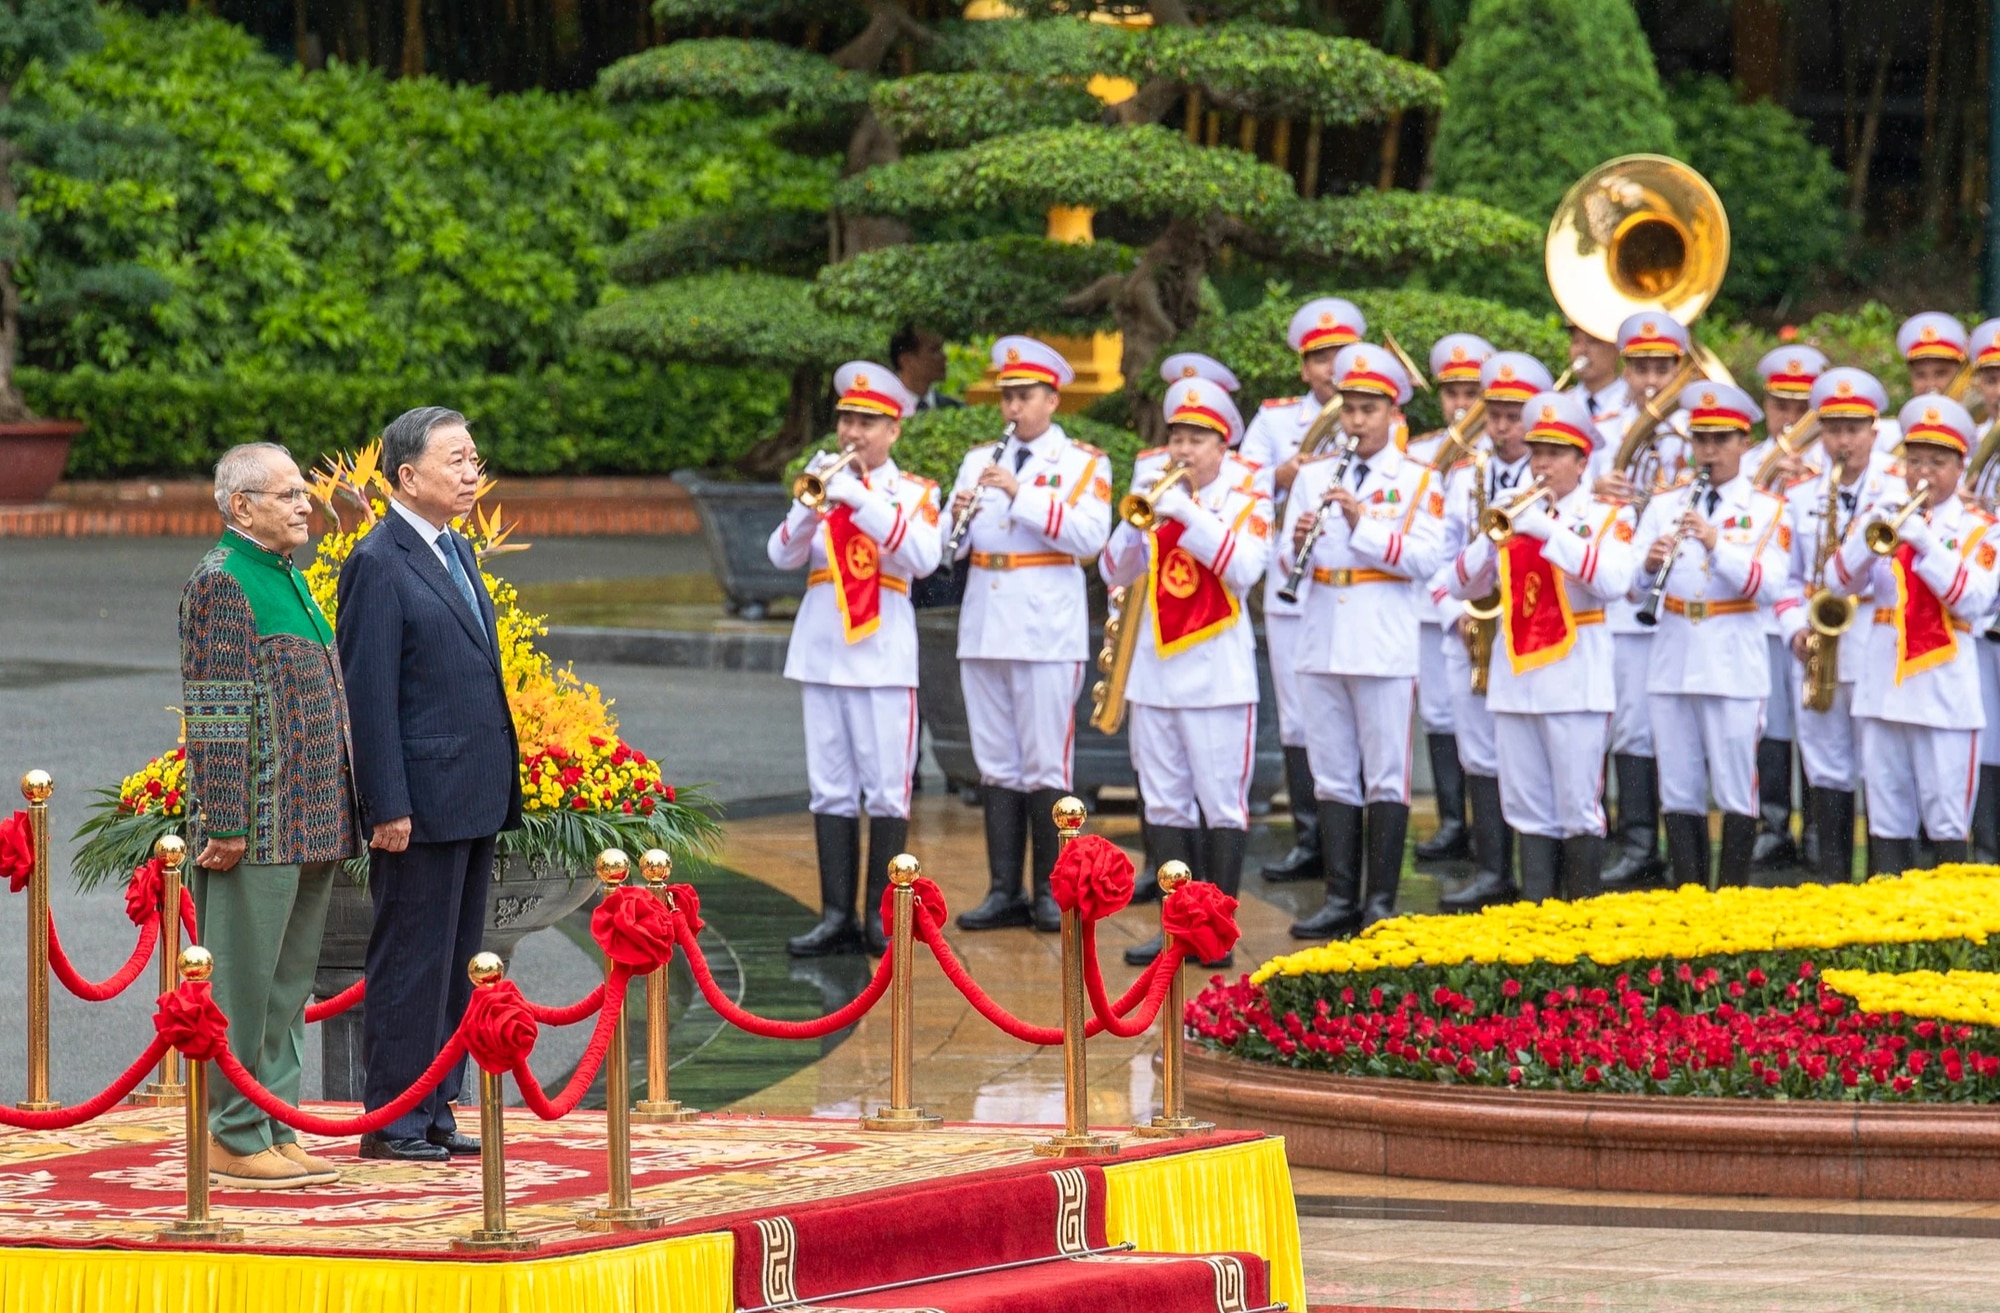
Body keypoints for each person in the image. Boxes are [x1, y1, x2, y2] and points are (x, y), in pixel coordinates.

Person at [337, 407, 520, 1163]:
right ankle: (394, 1119)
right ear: (406, 476)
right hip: (419, 803)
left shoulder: (456, 549)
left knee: (453, 962)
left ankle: (437, 1106)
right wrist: (388, 804)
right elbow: (369, 691)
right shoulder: (379, 561)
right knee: (410, 960)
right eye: (456, 459)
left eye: (475, 457)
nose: (472, 472)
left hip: (470, 792)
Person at [180, 443, 357, 1191]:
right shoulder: (223, 582)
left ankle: (274, 1123)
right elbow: (215, 709)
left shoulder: (287, 575)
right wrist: (223, 819)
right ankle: (232, 1133)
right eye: (287, 495)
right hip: (255, 824)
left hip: (310, 820)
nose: (303, 506)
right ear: (240, 505)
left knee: (286, 991)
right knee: (244, 989)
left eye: (303, 495)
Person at [769, 363, 942, 955]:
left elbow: (922, 555)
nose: (852, 432)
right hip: (821, 653)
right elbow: (781, 554)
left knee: (887, 791)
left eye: (867, 422)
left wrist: (860, 500)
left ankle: (880, 918)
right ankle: (836, 915)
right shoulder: (823, 482)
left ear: (893, 432)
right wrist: (810, 503)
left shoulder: (914, 493)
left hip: (882, 658)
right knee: (831, 789)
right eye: (846, 418)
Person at [1103, 376, 1272, 968]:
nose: (1183, 449)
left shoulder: (1247, 496)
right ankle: (1175, 928)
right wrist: (1136, 523)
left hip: (1218, 678)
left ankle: (1217, 931)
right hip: (1155, 672)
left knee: (1221, 804)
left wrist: (1188, 515)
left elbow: (1246, 568)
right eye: (1176, 436)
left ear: (1222, 446)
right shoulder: (1151, 487)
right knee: (1165, 804)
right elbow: (1113, 571)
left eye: (1197, 438)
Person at [1445, 391, 1637, 898]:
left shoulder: (1606, 515)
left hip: (1576, 681)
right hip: (1516, 680)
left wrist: (1546, 530)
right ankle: (1538, 925)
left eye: (1556, 453)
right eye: (1538, 452)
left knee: (1577, 808)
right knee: (1527, 809)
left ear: (1582, 460)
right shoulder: (1513, 511)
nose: (1544, 463)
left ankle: (1579, 930)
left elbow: (1614, 580)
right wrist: (1491, 537)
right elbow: (1458, 585)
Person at [948, 336, 1110, 934]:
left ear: (1052, 399)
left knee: (1045, 762)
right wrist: (956, 517)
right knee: (996, 762)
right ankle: (1002, 889)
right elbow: (953, 543)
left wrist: (1021, 494)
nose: (1012, 408)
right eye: (1007, 397)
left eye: (1024, 396)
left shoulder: (1083, 463)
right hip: (985, 624)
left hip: (1045, 627)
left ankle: (1051, 890)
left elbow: (1091, 538)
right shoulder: (976, 460)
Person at [1286, 344, 1447, 938]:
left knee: (1384, 773)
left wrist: (1362, 525)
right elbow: (1283, 561)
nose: (1355, 421)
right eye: (1349, 409)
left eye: (1368, 410)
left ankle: (1379, 898)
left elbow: (1427, 557)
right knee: (1331, 772)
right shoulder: (1310, 476)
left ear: (1392, 413)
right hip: (1322, 633)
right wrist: (1298, 540)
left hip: (1381, 639)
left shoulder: (1416, 479)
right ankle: (1337, 896)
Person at [1240, 297, 1377, 883]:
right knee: (1299, 717)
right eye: (1320, 359)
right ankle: (1310, 837)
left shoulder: (1377, 416)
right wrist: (1280, 476)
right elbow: (1239, 483)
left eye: (1341, 356)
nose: (1330, 368)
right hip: (1294, 579)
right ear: (1304, 369)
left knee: (1360, 715)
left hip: (1359, 585)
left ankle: (1359, 841)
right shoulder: (1275, 421)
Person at [1633, 381, 1788, 889]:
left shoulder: (1766, 508)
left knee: (1734, 785)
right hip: (1673, 653)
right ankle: (1689, 895)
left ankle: (1734, 896)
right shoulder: (1663, 503)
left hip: (1731, 660)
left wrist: (1716, 542)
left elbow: (1768, 586)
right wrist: (1647, 565)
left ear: (1744, 442)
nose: (1710, 451)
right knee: (1677, 785)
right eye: (1701, 440)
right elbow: (1631, 587)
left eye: (1722, 440)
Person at [1842, 396, 1998, 873]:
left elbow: (1974, 602)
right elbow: (1835, 582)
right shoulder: (1882, 513)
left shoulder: (1982, 529)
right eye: (1915, 460)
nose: (1923, 473)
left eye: (1937, 462)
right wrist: (1868, 534)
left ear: (1960, 467)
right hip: (1883, 685)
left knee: (1947, 821)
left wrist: (1926, 541)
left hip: (1944, 691)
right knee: (1887, 820)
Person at [1431, 351, 1553, 909]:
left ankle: (1542, 880)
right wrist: (1453, 612)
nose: (1501, 428)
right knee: (1478, 750)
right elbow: (1440, 555)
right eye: (1494, 415)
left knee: (1535, 753)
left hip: (1538, 626)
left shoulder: (1558, 473)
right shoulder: (1465, 474)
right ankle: (1492, 869)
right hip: (1473, 625)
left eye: (1513, 416)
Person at [1775, 367, 1897, 884]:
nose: (1842, 441)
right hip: (1823, 645)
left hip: (1878, 638)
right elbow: (1786, 580)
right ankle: (1832, 879)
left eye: (1853, 428)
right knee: (1825, 765)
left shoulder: (1896, 488)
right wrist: (1794, 631)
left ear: (1874, 430)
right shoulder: (1801, 496)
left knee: (1882, 768)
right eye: (1833, 429)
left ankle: (1885, 884)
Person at [1591, 313, 1695, 889]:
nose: (1652, 379)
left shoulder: (1695, 428)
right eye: (1641, 367)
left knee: (1663, 724)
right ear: (1625, 368)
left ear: (1680, 367)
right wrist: (1595, 487)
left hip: (1677, 591)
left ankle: (1661, 844)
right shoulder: (1602, 426)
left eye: (1663, 367)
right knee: (1625, 722)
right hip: (1619, 589)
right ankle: (1629, 839)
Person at [1407, 333, 1494, 871]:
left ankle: (1491, 830)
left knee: (1485, 718)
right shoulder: (1420, 452)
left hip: (1482, 606)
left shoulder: (1502, 456)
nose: (1461, 404)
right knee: (1439, 714)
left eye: (1471, 393)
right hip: (1426, 602)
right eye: (1451, 393)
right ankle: (1452, 822)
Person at [1744, 345, 1828, 871]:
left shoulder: (1832, 464)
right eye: (1780, 405)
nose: (1791, 418)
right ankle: (1772, 827)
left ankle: (1820, 830)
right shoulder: (1751, 461)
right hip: (1758, 614)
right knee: (1770, 722)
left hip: (1814, 616)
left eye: (1801, 407)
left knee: (1817, 723)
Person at [1964, 318, 2000, 862]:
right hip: (1980, 608)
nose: (1998, 390)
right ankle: (1990, 847)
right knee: (1989, 731)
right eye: (1990, 379)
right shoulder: (1963, 440)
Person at [1885, 312, 1970, 450]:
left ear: (1959, 375)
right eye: (1920, 375)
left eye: (1941, 374)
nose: (1931, 384)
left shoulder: (1979, 428)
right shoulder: (1891, 433)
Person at [1564, 323, 1627, 427]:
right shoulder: (1563, 403)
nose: (1582, 350)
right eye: (1576, 341)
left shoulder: (1634, 401)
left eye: (1593, 342)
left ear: (1616, 349)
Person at [890, 323, 960, 412]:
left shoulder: (954, 409)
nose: (944, 357)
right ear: (906, 360)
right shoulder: (883, 411)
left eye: (941, 349)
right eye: (934, 350)